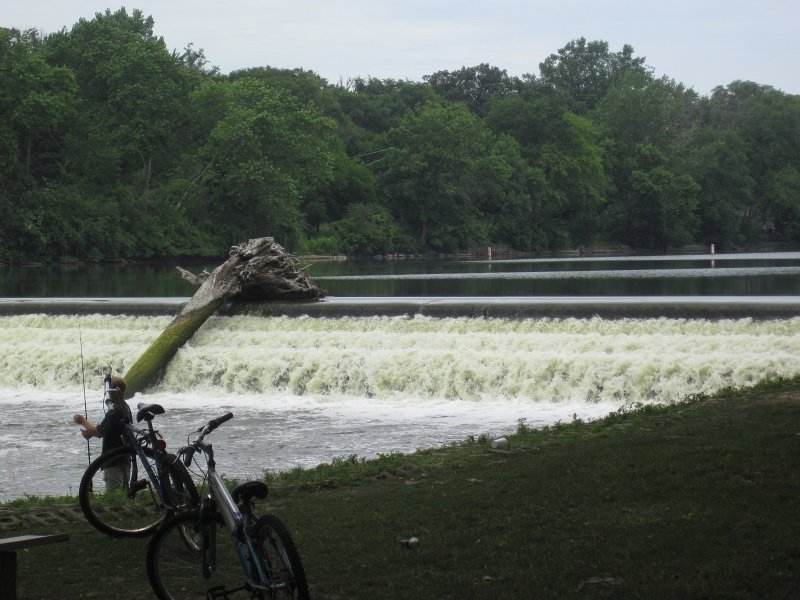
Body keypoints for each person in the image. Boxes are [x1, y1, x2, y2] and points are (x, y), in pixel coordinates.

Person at [73, 375, 133, 491]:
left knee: (114, 494)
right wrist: (91, 433)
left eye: (108, 390)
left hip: (113, 461)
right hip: (125, 460)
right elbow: (107, 430)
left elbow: (99, 432)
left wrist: (82, 420)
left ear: (113, 391)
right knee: (125, 493)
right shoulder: (125, 407)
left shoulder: (114, 411)